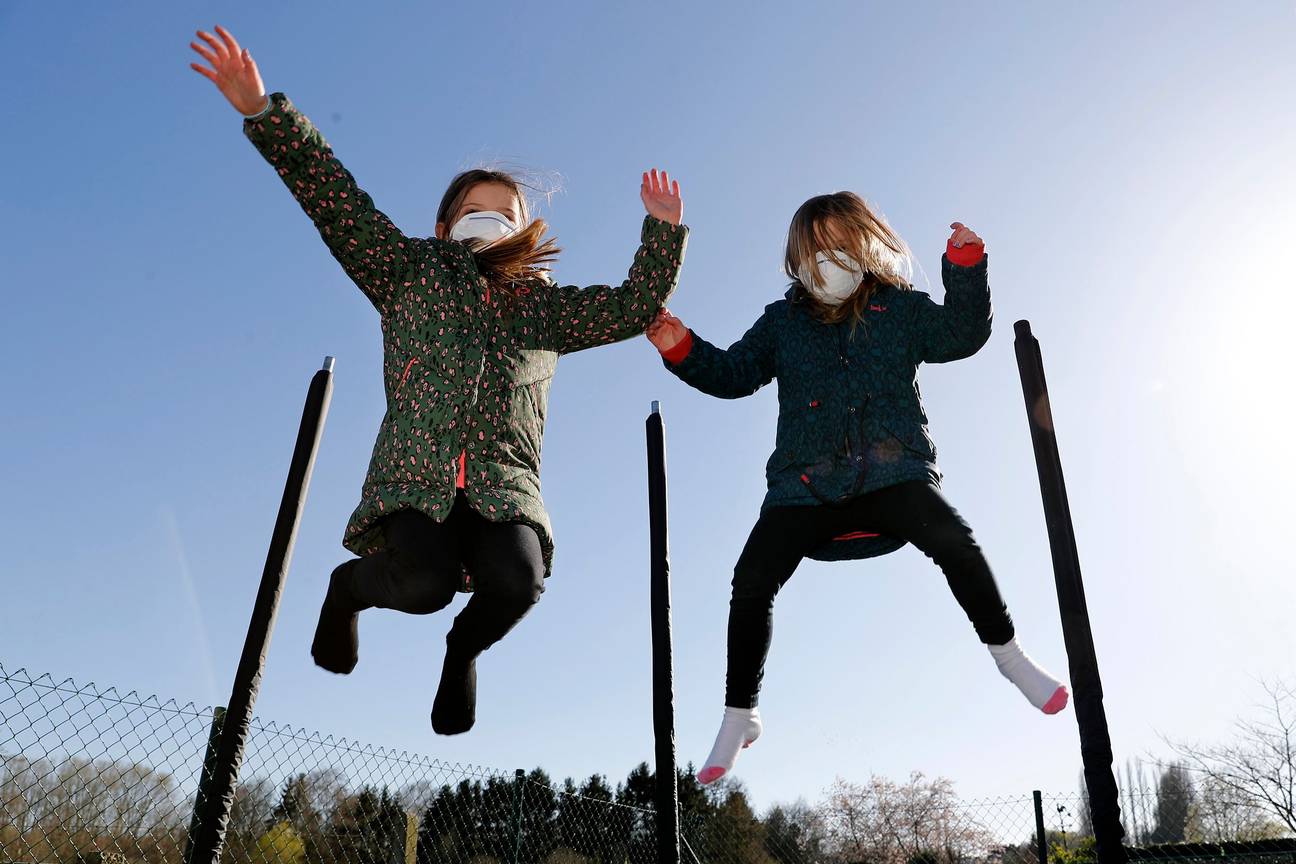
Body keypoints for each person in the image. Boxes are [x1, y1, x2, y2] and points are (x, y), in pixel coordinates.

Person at [190, 25, 688, 734]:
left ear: (526, 230)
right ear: (445, 222)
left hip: (502, 483)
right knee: (422, 587)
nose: (489, 220)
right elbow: (336, 202)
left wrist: (663, 232)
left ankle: (463, 652)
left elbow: (633, 305)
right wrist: (265, 113)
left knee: (521, 581)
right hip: (414, 477)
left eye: (505, 213)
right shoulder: (406, 273)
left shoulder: (545, 311)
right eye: (474, 210)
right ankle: (345, 592)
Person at [645, 191, 1065, 784]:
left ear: (866, 246)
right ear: (796, 261)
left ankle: (1010, 657)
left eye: (840, 246)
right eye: (814, 250)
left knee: (952, 537)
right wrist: (682, 347)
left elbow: (963, 334)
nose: (828, 259)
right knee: (751, 578)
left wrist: (966, 268)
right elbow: (734, 373)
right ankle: (740, 713)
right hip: (804, 486)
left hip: (892, 476)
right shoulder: (782, 324)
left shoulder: (899, 310)